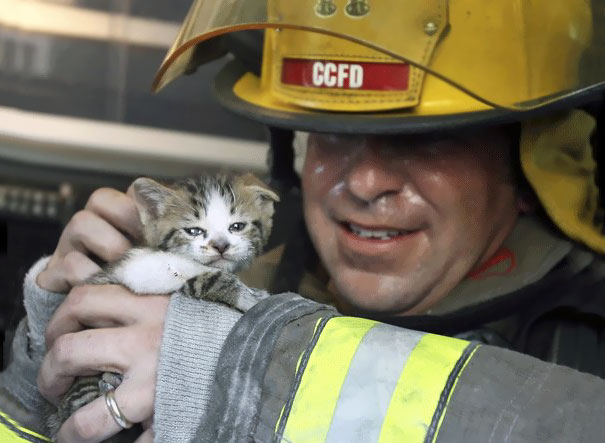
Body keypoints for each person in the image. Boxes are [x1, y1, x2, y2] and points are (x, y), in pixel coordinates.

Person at [2, 0, 605, 441]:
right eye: (333, 136)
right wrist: (49, 379)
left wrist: (251, 372)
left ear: (534, 170)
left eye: (425, 141)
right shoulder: (204, 306)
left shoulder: (587, 345)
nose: (364, 183)